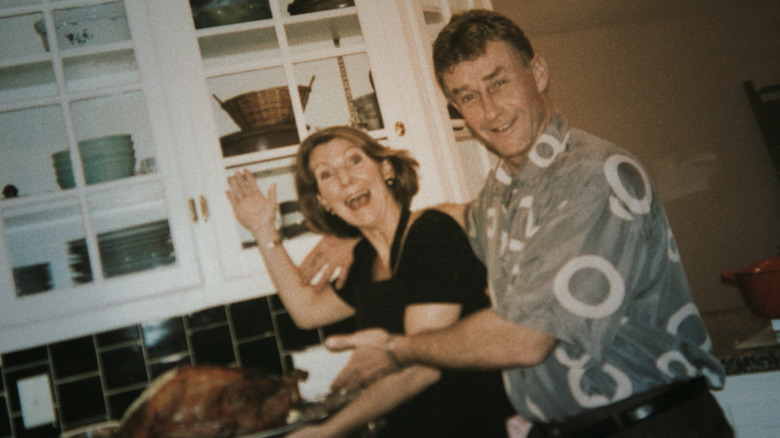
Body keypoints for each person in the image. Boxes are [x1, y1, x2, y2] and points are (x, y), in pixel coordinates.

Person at [304, 9, 734, 438]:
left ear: (538, 72)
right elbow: (458, 217)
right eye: (468, 96)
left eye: (499, 82)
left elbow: (525, 337)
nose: (490, 111)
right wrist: (358, 233)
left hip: (653, 424)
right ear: (455, 108)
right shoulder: (503, 192)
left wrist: (397, 349)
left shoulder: (590, 174)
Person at [226, 125, 514, 438]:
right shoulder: (365, 258)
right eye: (326, 175)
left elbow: (423, 367)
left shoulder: (430, 235)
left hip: (473, 426)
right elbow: (307, 312)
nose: (345, 179)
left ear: (386, 169)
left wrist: (328, 431)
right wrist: (263, 229)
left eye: (354, 161)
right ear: (324, 201)